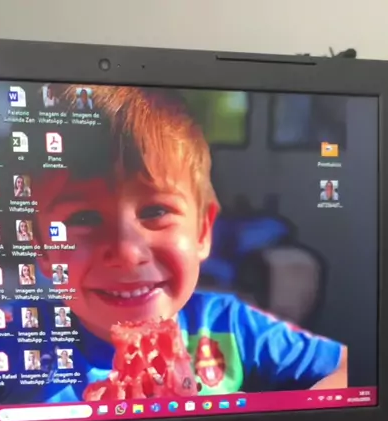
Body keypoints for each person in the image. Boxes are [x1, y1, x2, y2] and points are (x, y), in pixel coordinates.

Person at [30, 86, 347, 396]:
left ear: (202, 232)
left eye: (155, 211)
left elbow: (347, 367)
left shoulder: (229, 326)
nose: (127, 252)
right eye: (84, 219)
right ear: (42, 247)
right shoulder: (21, 338)